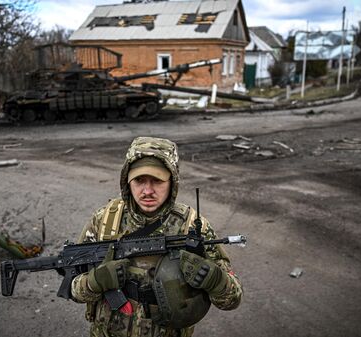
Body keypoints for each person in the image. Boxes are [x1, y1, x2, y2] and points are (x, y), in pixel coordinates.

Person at [71, 136, 243, 337]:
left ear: (173, 182)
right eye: (139, 180)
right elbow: (74, 290)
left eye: (157, 181)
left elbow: (232, 300)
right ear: (127, 181)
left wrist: (216, 280)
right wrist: (95, 282)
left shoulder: (193, 227)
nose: (147, 191)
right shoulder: (105, 221)